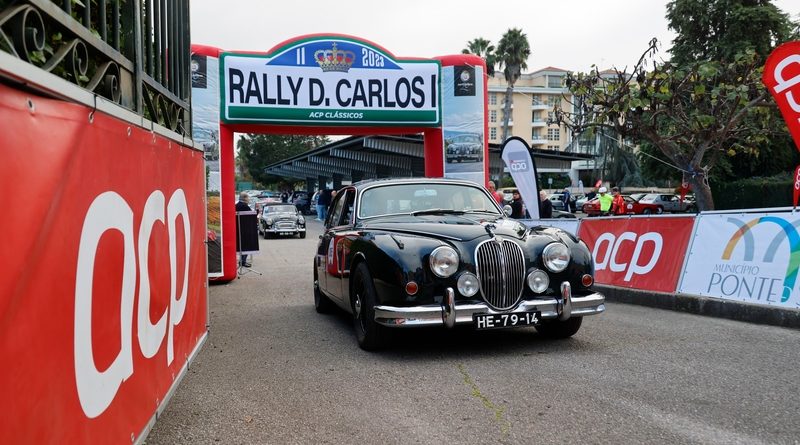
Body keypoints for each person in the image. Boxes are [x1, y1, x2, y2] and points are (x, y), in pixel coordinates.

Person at [235, 192, 252, 267]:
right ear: (245, 198)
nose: (249, 199)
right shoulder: (245, 206)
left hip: (237, 228)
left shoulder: (236, 205)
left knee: (240, 245)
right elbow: (251, 217)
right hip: (245, 229)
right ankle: (243, 262)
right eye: (248, 197)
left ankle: (241, 261)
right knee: (246, 246)